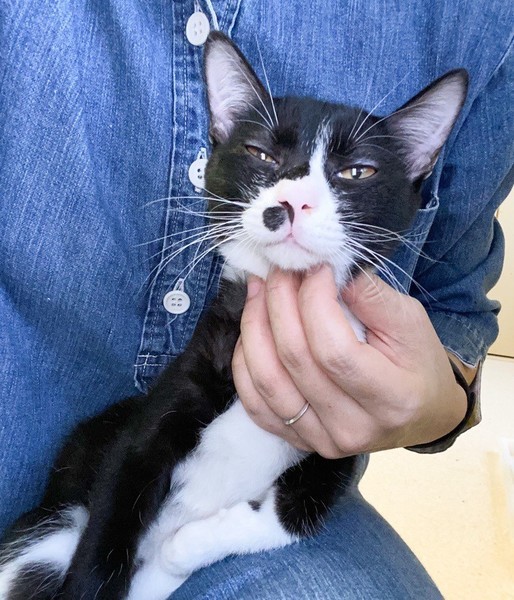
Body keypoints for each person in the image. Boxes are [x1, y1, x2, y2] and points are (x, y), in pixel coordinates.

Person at [1, 1, 512, 598]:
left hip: (253, 502)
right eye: (265, 156)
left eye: (355, 173)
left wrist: (438, 403)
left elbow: (454, 309)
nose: (298, 197)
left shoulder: (483, 18)